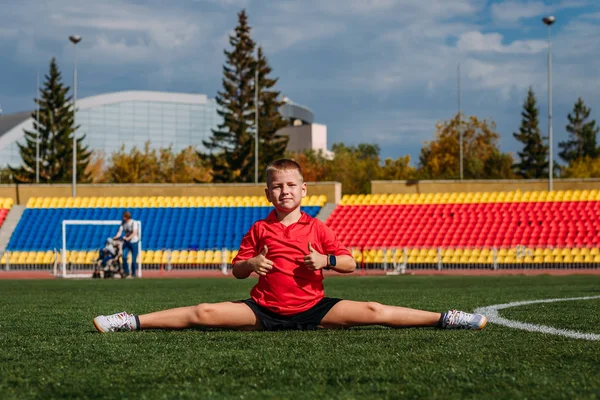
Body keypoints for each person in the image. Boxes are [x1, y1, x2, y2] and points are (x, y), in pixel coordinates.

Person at [93, 159, 487, 333]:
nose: (285, 191)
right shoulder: (259, 229)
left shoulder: (317, 227)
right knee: (202, 312)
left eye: (291, 185)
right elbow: (237, 269)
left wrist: (326, 260)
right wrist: (253, 264)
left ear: (303, 190)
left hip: (314, 309)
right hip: (263, 311)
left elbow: (349, 263)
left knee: (374, 310)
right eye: (277, 185)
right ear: (268, 192)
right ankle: (131, 320)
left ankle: (444, 318)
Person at [113, 211, 139, 279]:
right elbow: (120, 231)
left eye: (124, 217)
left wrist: (128, 238)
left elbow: (134, 233)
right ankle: (126, 272)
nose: (123, 218)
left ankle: (133, 274)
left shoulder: (134, 223)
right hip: (126, 243)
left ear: (126, 217)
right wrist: (116, 237)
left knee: (133, 259)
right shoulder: (123, 223)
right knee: (124, 257)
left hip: (134, 242)